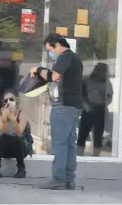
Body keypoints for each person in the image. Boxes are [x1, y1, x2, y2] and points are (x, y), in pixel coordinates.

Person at [30, 33, 83, 190]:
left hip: (64, 106)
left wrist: (38, 69)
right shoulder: (76, 58)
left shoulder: (65, 57)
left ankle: (58, 178)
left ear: (58, 45)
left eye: (50, 49)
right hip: (74, 105)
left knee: (60, 143)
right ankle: (68, 179)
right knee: (70, 144)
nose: (50, 53)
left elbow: (54, 76)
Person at [0, 89, 32, 178]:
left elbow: (19, 133)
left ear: (16, 100)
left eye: (11, 99)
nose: (9, 102)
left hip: (20, 149)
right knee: (5, 136)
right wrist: (5, 118)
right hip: (5, 149)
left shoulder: (21, 113)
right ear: (3, 103)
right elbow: (4, 131)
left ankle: (21, 169)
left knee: (16, 138)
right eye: (6, 100)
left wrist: (13, 119)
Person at [77, 63, 113, 156]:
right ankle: (94, 157)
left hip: (93, 111)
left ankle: (81, 156)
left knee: (86, 136)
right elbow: (109, 98)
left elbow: (81, 96)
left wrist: (87, 106)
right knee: (94, 137)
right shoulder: (104, 82)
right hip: (96, 111)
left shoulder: (89, 81)